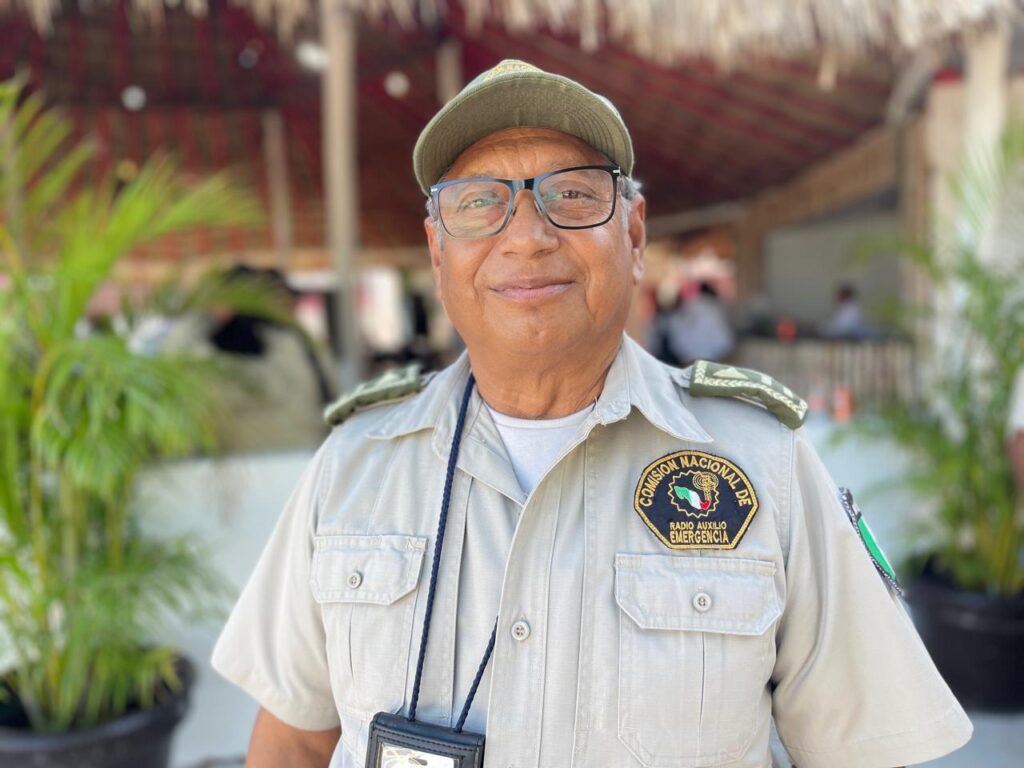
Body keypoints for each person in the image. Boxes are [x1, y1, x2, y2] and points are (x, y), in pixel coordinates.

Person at [212, 60, 972, 768]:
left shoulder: (762, 462)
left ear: (633, 237)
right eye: (479, 203)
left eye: (572, 195)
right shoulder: (353, 464)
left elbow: (865, 749)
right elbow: (295, 741)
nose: (526, 236)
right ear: (439, 258)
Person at [666, 281, 735, 363]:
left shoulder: (690, 306)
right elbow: (725, 341)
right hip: (712, 357)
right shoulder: (713, 307)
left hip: (691, 357)